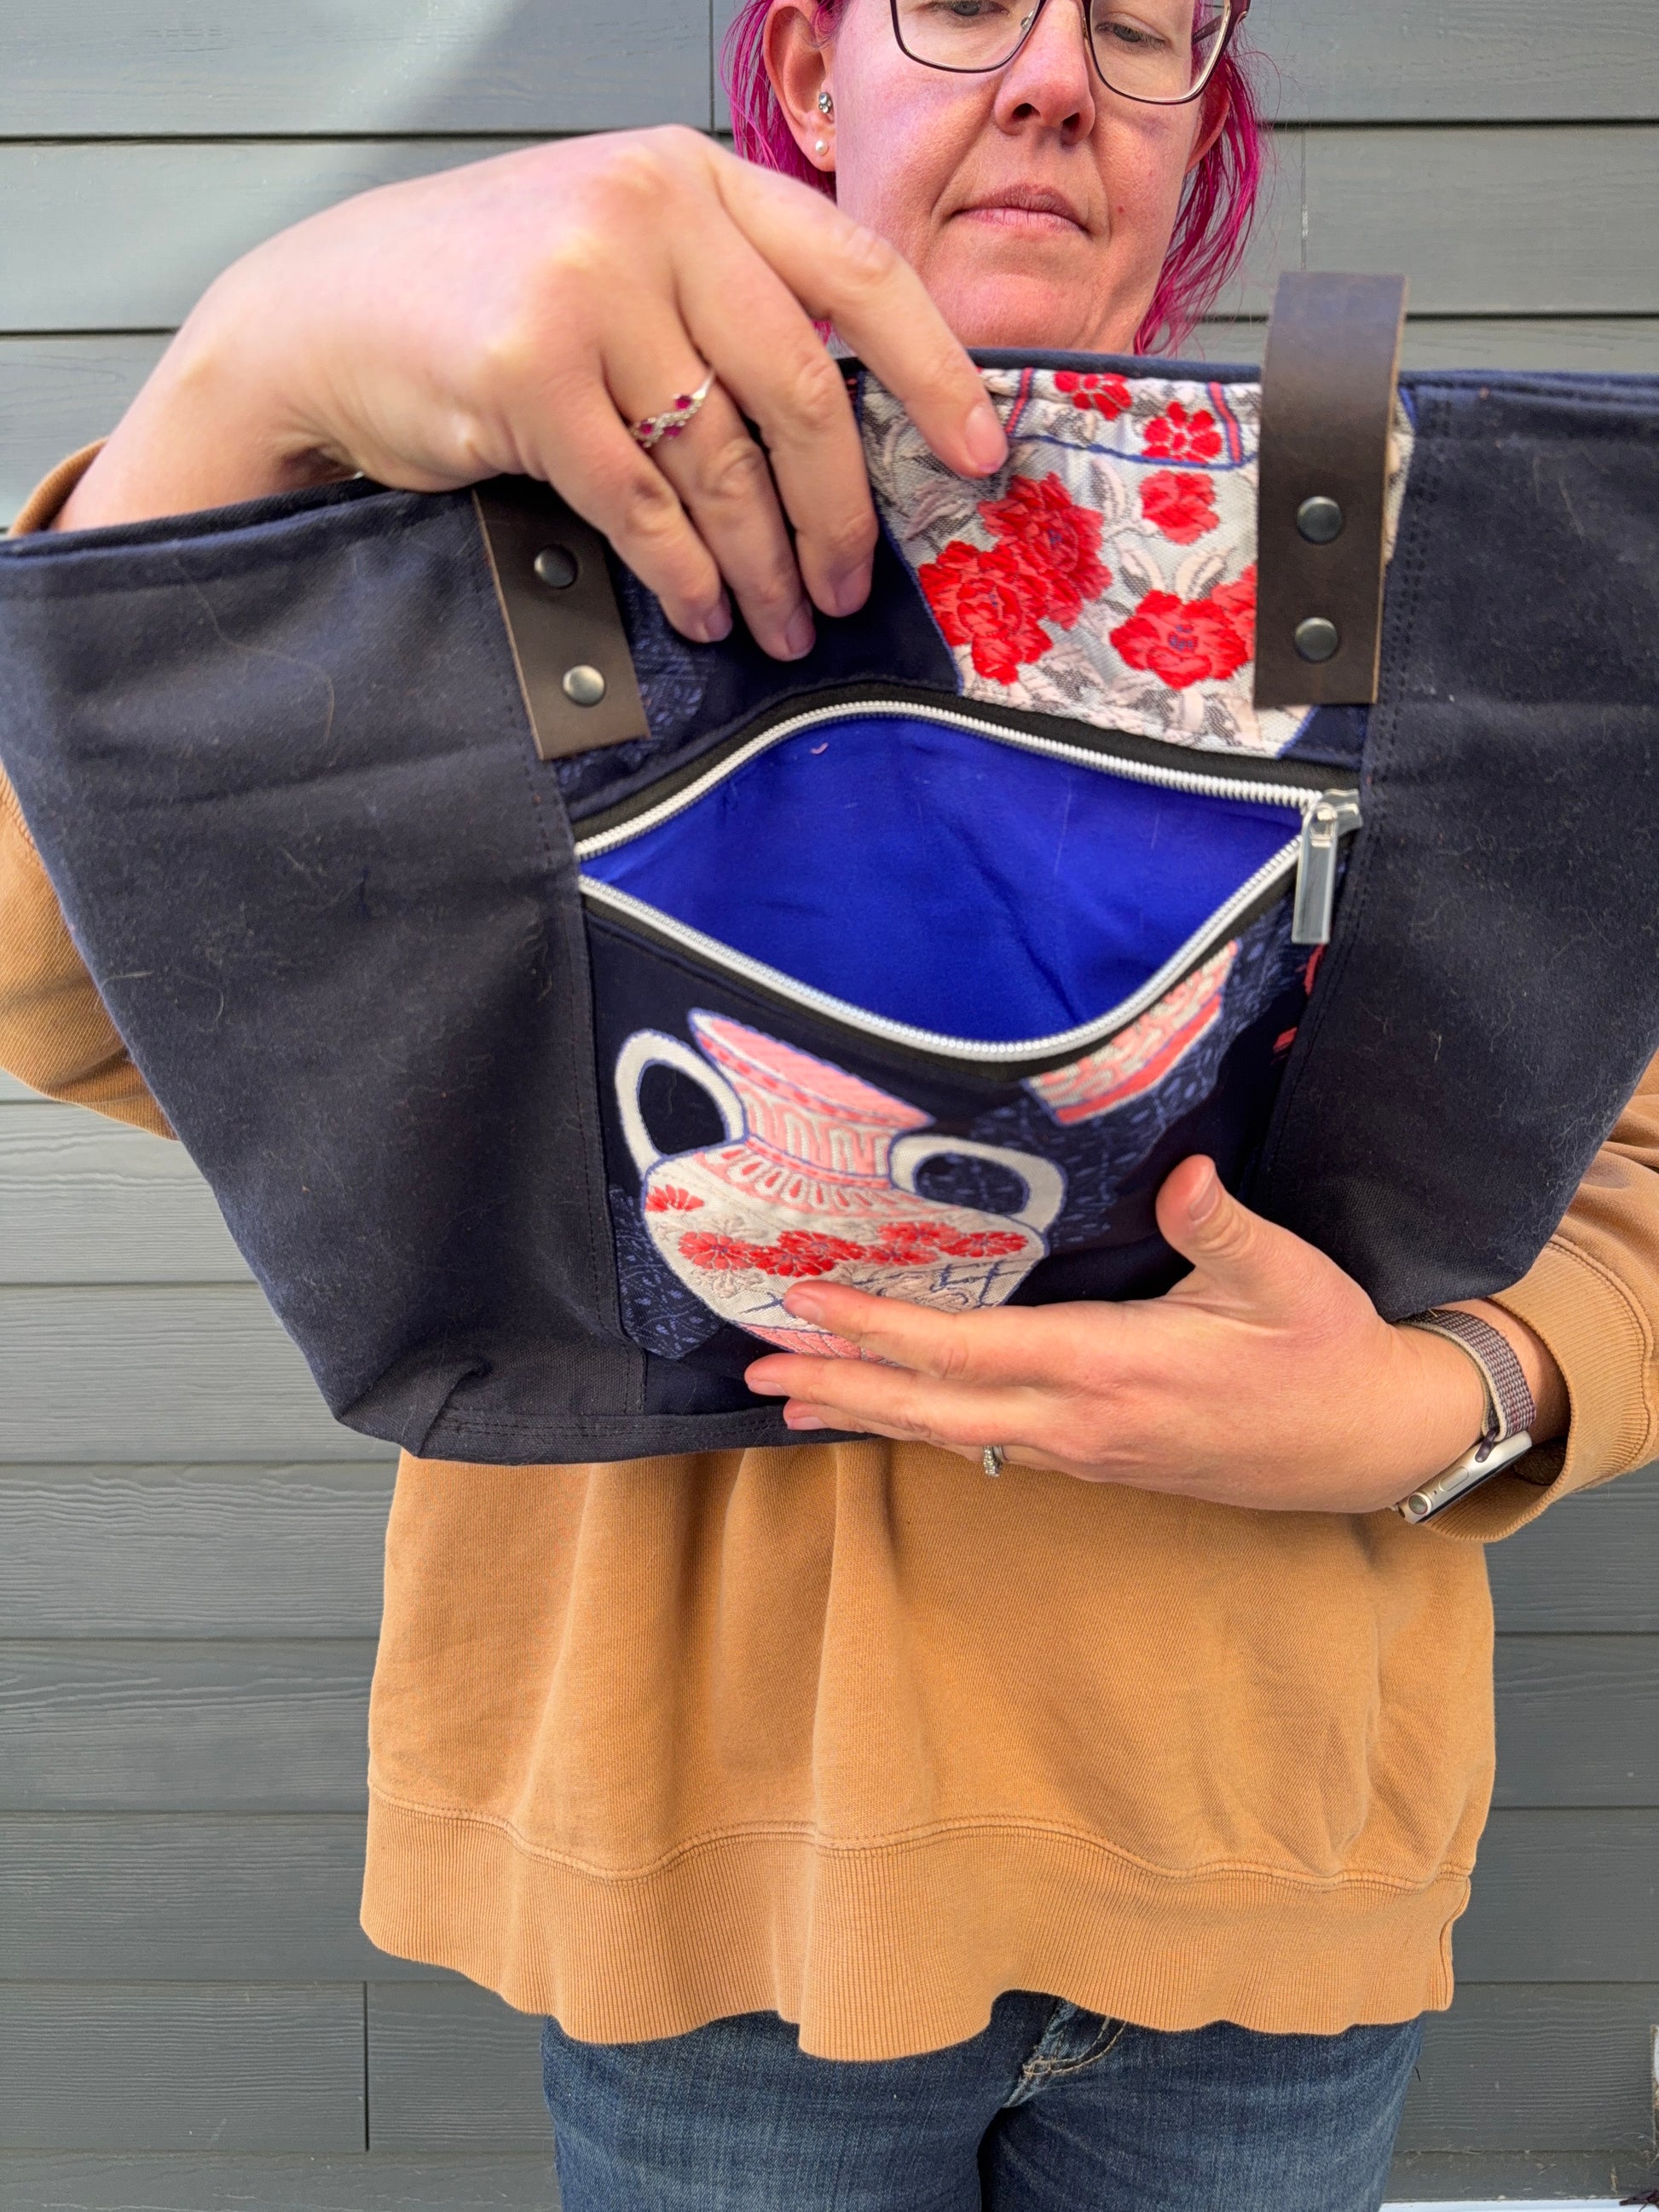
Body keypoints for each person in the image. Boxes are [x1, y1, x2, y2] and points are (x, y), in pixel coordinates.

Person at [3, 1, 1658, 2205]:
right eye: (965, 0)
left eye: (1148, 23)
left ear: (1192, 126)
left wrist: (1441, 1399)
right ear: (797, 75)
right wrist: (252, 370)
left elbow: (1634, 1144)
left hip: (1264, 1875)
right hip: (724, 1916)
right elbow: (70, 975)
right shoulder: (492, 556)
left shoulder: (1385, 563)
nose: (1063, 75)